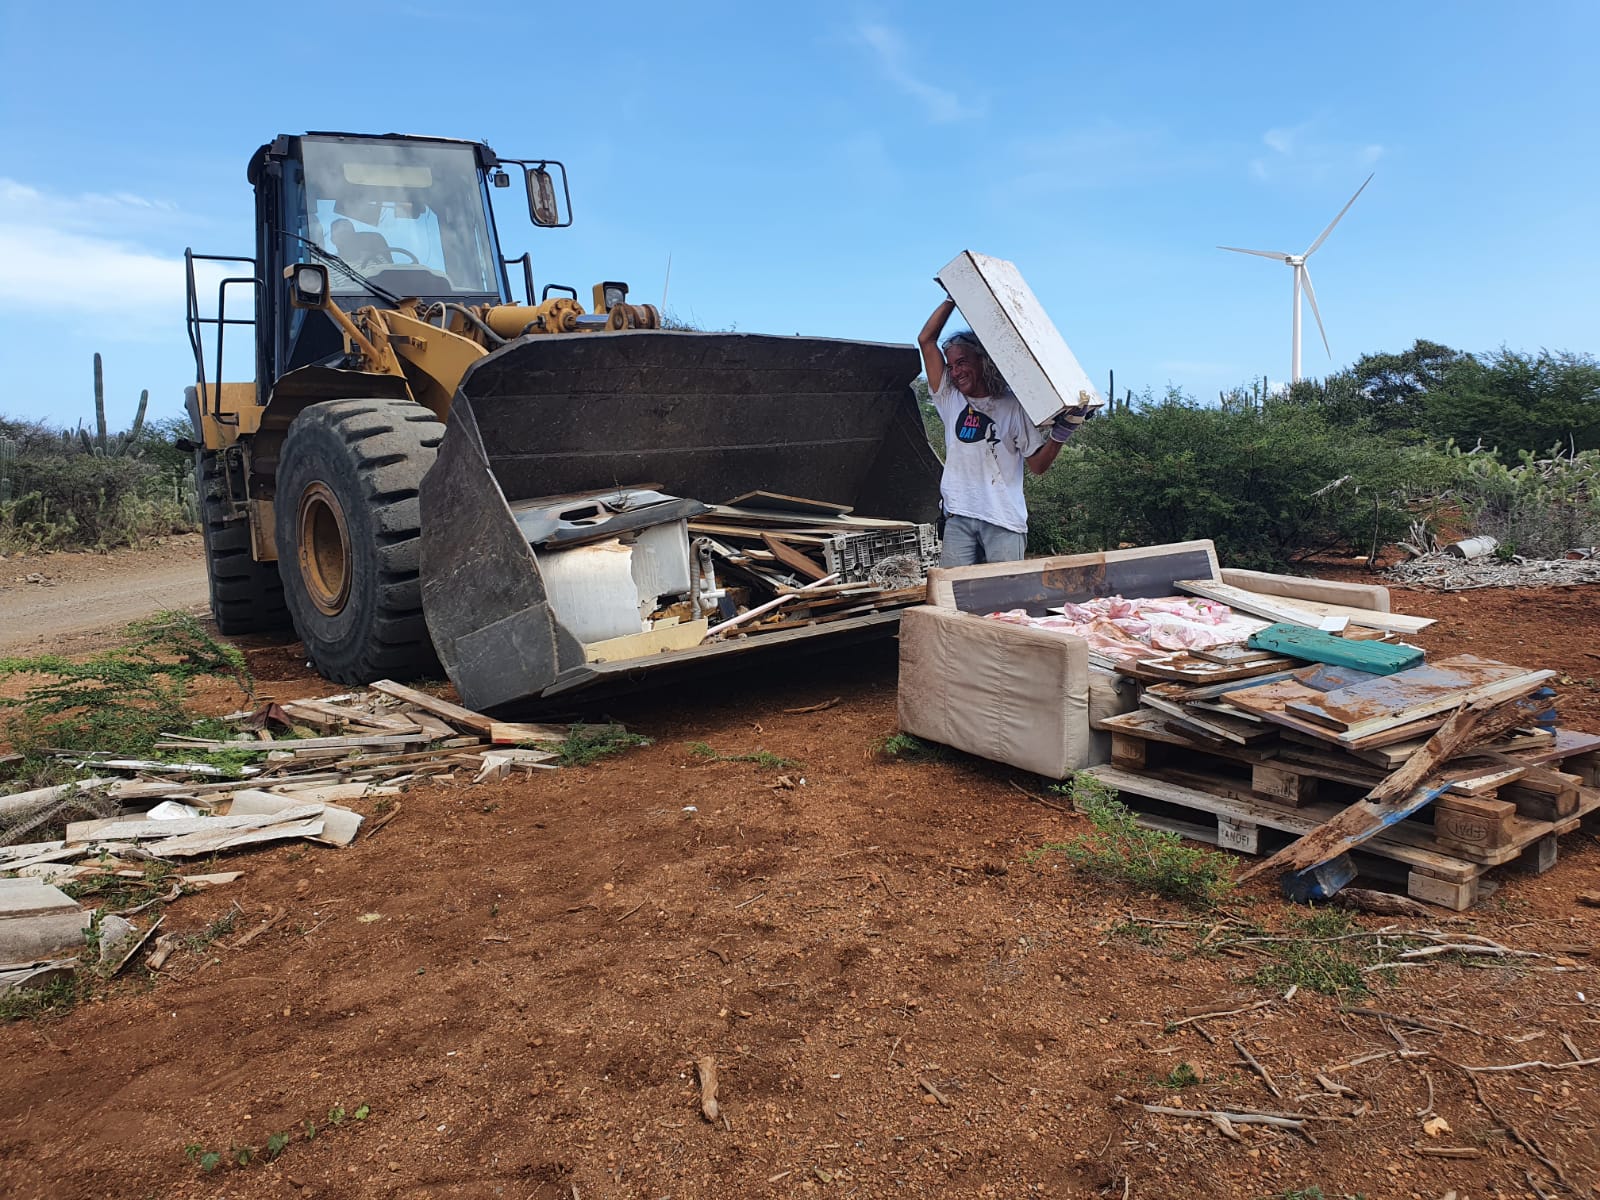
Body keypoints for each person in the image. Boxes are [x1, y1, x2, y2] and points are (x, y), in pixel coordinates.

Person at [918, 294, 1084, 567]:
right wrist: (954, 296)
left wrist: (1060, 435)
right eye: (951, 366)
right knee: (956, 596)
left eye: (962, 362)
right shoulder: (950, 398)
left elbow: (1038, 465)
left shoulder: (1013, 406)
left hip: (1003, 519)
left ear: (983, 360)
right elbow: (926, 340)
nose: (955, 372)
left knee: (1006, 598)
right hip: (958, 515)